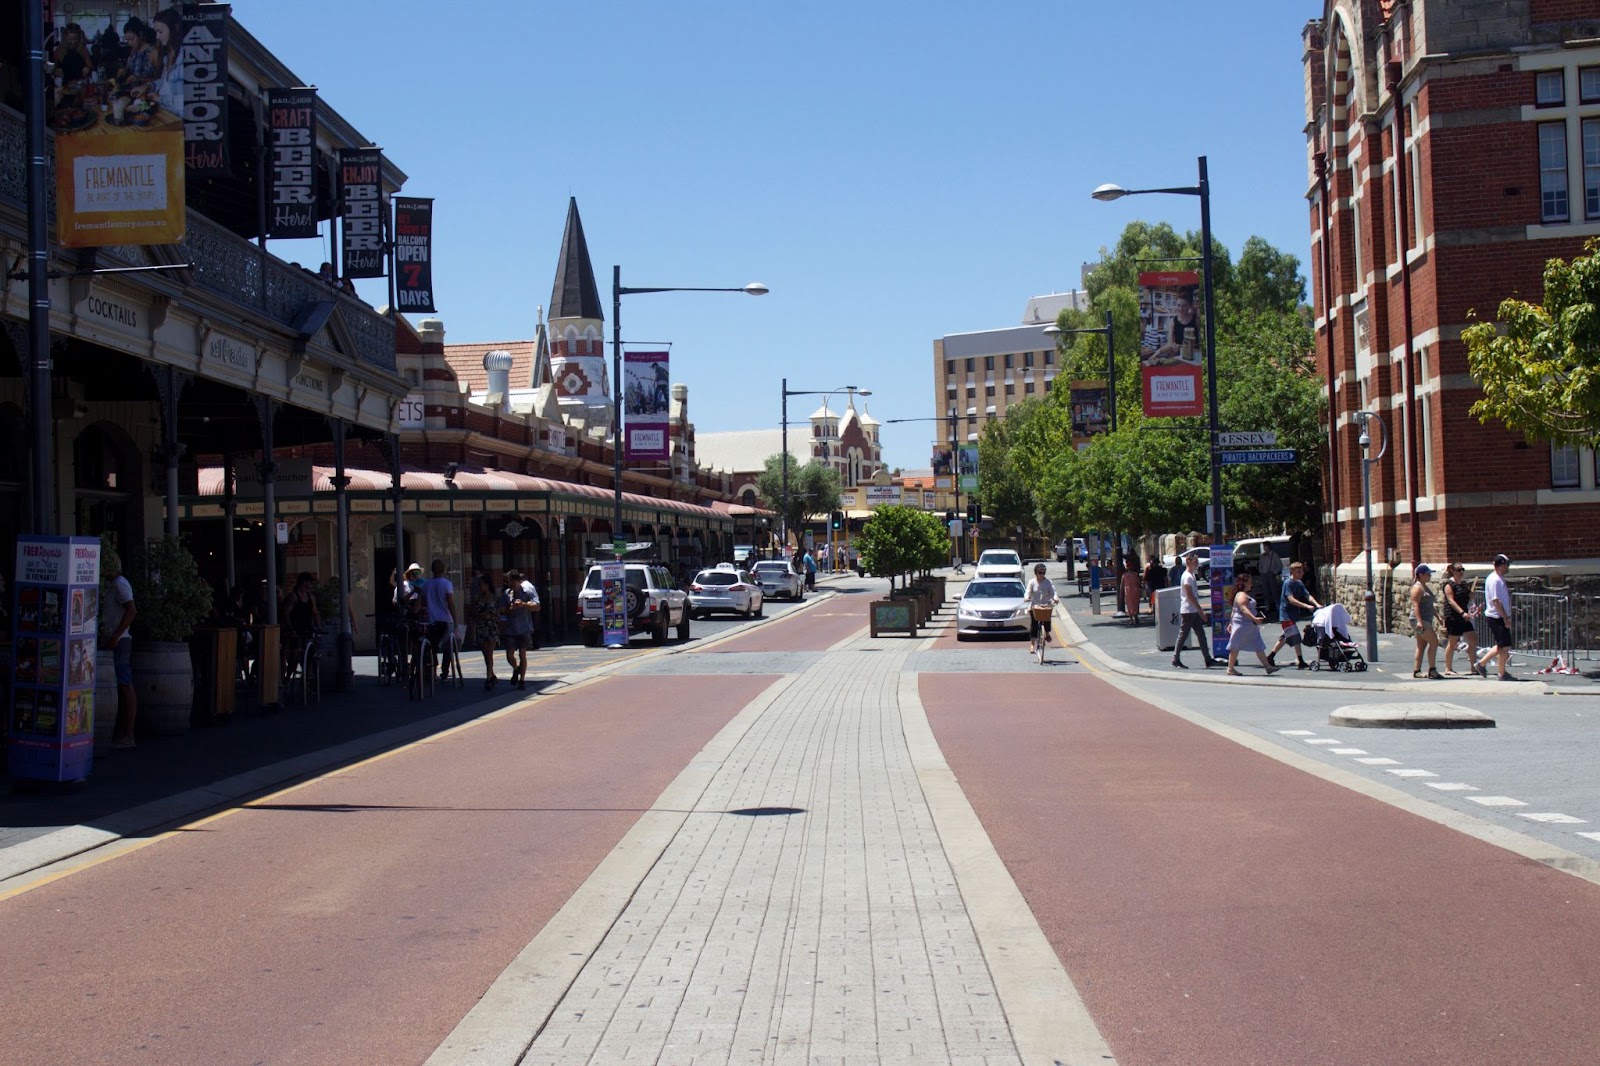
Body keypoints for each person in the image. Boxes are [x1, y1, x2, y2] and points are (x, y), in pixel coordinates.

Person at [100, 547, 137, 747]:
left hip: (120, 639)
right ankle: (122, 732)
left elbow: (131, 611)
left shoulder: (120, 585)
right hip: (114, 638)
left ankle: (128, 734)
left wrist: (115, 635)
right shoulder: (111, 585)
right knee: (120, 684)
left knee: (124, 684)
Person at [1268, 560, 1321, 669]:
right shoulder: (1288, 583)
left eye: (1301, 572)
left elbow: (1307, 595)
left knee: (1284, 637)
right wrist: (1306, 606)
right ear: (1292, 572)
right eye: (1298, 572)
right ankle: (1300, 661)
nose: (1300, 574)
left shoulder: (1299, 583)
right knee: (1296, 636)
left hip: (1292, 615)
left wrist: (1316, 604)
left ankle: (1270, 657)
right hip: (1286, 615)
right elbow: (1291, 599)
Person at [1226, 573, 1279, 676]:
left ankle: (1268, 667)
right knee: (1235, 646)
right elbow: (1243, 608)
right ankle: (1230, 668)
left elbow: (1234, 610)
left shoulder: (1243, 594)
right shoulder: (1241, 595)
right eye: (1249, 581)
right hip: (1243, 624)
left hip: (1249, 625)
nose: (1251, 583)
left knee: (1258, 644)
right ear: (1244, 582)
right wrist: (1254, 618)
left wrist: (1231, 622)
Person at [1474, 553, 1516, 681]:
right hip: (1496, 617)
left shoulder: (1498, 578)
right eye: (1506, 565)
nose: (1508, 567)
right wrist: (1505, 618)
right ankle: (1485, 665)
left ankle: (1500, 671)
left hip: (1499, 616)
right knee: (1503, 646)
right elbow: (1496, 601)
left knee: (1503, 646)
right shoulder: (1495, 580)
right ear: (1501, 565)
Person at [1171, 551, 1216, 669]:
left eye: (1197, 561)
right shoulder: (1187, 577)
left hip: (1192, 610)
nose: (1197, 564)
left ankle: (1207, 658)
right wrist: (1200, 610)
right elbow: (1189, 595)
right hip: (1188, 610)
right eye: (1195, 561)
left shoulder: (1191, 576)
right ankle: (1175, 658)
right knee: (1184, 634)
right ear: (1188, 562)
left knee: (1201, 634)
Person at [501, 569, 539, 690]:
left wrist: (523, 604)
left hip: (524, 627)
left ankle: (522, 680)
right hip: (511, 628)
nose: (508, 584)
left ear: (517, 581)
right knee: (509, 655)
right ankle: (516, 669)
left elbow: (537, 606)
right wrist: (509, 609)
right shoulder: (506, 594)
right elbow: (500, 610)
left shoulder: (527, 591)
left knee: (522, 654)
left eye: (510, 581)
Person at [1440, 563, 1479, 676]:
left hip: (1464, 617)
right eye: (1458, 570)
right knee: (1453, 642)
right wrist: (1462, 612)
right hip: (1453, 616)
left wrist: (1472, 596)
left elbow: (1468, 598)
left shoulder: (1463, 584)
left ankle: (1473, 666)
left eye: (1462, 570)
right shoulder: (1449, 585)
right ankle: (1448, 668)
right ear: (1452, 571)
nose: (1461, 572)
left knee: (1473, 638)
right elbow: (1451, 601)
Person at [281, 572, 321, 676]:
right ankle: (288, 677)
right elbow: (285, 613)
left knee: (311, 655)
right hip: (295, 630)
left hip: (307, 628)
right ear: (304, 583)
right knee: (295, 656)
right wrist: (291, 629)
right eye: (309, 582)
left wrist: (319, 627)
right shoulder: (293, 596)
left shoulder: (310, 597)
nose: (310, 585)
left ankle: (308, 679)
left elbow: (315, 612)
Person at [424, 559, 457, 680]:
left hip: (431, 620)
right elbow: (450, 602)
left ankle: (432, 669)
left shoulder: (426, 584)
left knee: (432, 646)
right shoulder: (446, 584)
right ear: (443, 570)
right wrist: (456, 620)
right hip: (445, 619)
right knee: (448, 646)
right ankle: (445, 670)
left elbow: (423, 602)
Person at [1409, 564, 1443, 680]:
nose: (1429, 576)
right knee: (1434, 642)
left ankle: (1417, 670)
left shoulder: (1425, 587)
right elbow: (1416, 605)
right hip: (1419, 620)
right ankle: (1432, 670)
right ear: (1420, 575)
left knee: (1421, 645)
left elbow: (1429, 605)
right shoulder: (1417, 588)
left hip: (1425, 619)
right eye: (1428, 574)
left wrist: (1438, 617)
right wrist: (1419, 622)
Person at [469, 575, 500, 690]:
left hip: (491, 627)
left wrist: (491, 615)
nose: (480, 587)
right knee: (485, 654)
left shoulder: (495, 598)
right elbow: (473, 612)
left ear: (487, 585)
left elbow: (498, 613)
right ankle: (492, 674)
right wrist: (480, 615)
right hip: (481, 627)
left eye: (481, 584)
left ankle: (488, 678)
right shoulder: (477, 598)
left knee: (490, 653)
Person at [150, 8, 183, 114]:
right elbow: (165, 83)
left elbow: (189, 99)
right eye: (156, 32)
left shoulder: (186, 57)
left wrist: (160, 99)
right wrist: (149, 86)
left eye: (160, 32)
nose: (157, 36)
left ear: (175, 29)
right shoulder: (167, 55)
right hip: (164, 111)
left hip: (177, 118)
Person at [1024, 563, 1059, 657]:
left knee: (1047, 619)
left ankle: (1046, 633)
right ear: (1036, 573)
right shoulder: (1032, 582)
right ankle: (1032, 645)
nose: (1042, 575)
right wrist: (1026, 597)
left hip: (1045, 605)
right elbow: (1028, 591)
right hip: (1034, 606)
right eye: (1040, 573)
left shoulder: (1048, 582)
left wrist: (1055, 598)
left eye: (1043, 573)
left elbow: (1053, 592)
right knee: (1034, 625)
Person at [1257, 544, 1283, 620]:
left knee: (1275, 592)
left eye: (1266, 546)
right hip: (1264, 575)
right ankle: (1267, 608)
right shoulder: (1262, 556)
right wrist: (1261, 572)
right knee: (1266, 593)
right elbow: (1260, 566)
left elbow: (1279, 565)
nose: (1265, 548)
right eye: (1264, 547)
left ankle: (1278, 608)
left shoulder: (1274, 555)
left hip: (1272, 575)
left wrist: (1274, 572)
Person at [1119, 557, 1142, 626]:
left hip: (1128, 590)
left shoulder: (1124, 575)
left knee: (1129, 604)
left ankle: (1131, 618)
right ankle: (1135, 615)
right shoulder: (1135, 574)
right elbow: (1138, 582)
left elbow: (1122, 585)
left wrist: (1121, 593)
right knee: (1136, 603)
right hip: (1135, 589)